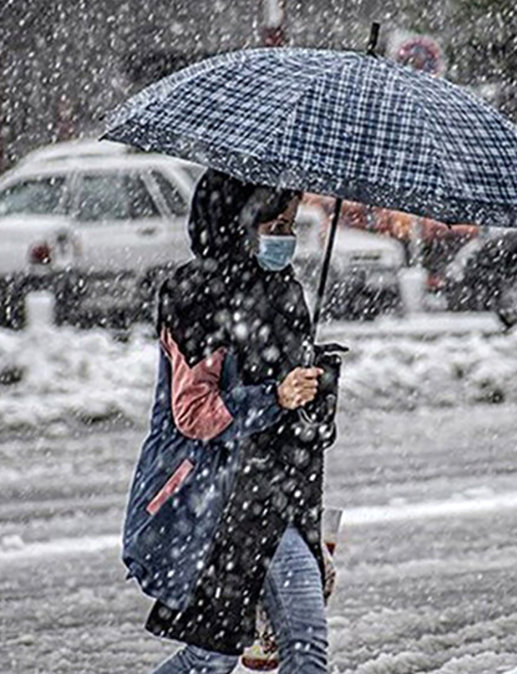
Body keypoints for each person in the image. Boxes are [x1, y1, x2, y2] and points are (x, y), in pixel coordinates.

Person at [122, 169, 340, 673]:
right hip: (217, 500)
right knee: (215, 657)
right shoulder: (196, 296)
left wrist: (316, 388)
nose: (285, 237)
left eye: (291, 224)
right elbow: (194, 413)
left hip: (275, 493)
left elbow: (294, 422)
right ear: (238, 221)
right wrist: (274, 396)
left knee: (298, 645)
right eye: (275, 223)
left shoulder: (284, 292)